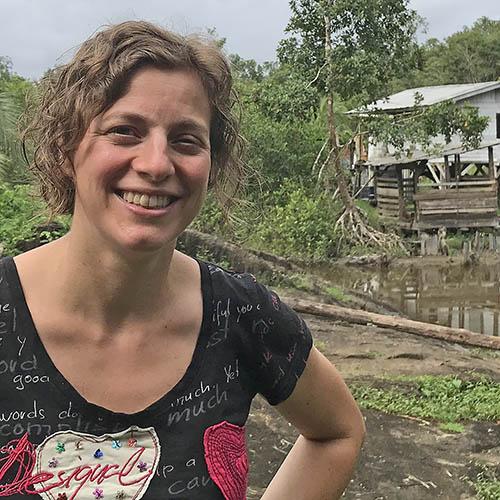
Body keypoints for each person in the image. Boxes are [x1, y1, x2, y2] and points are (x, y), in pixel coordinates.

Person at [0, 21, 365, 499]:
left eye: (186, 140)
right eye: (125, 131)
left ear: (211, 166)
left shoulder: (240, 316)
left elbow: (338, 431)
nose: (156, 164)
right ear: (68, 148)